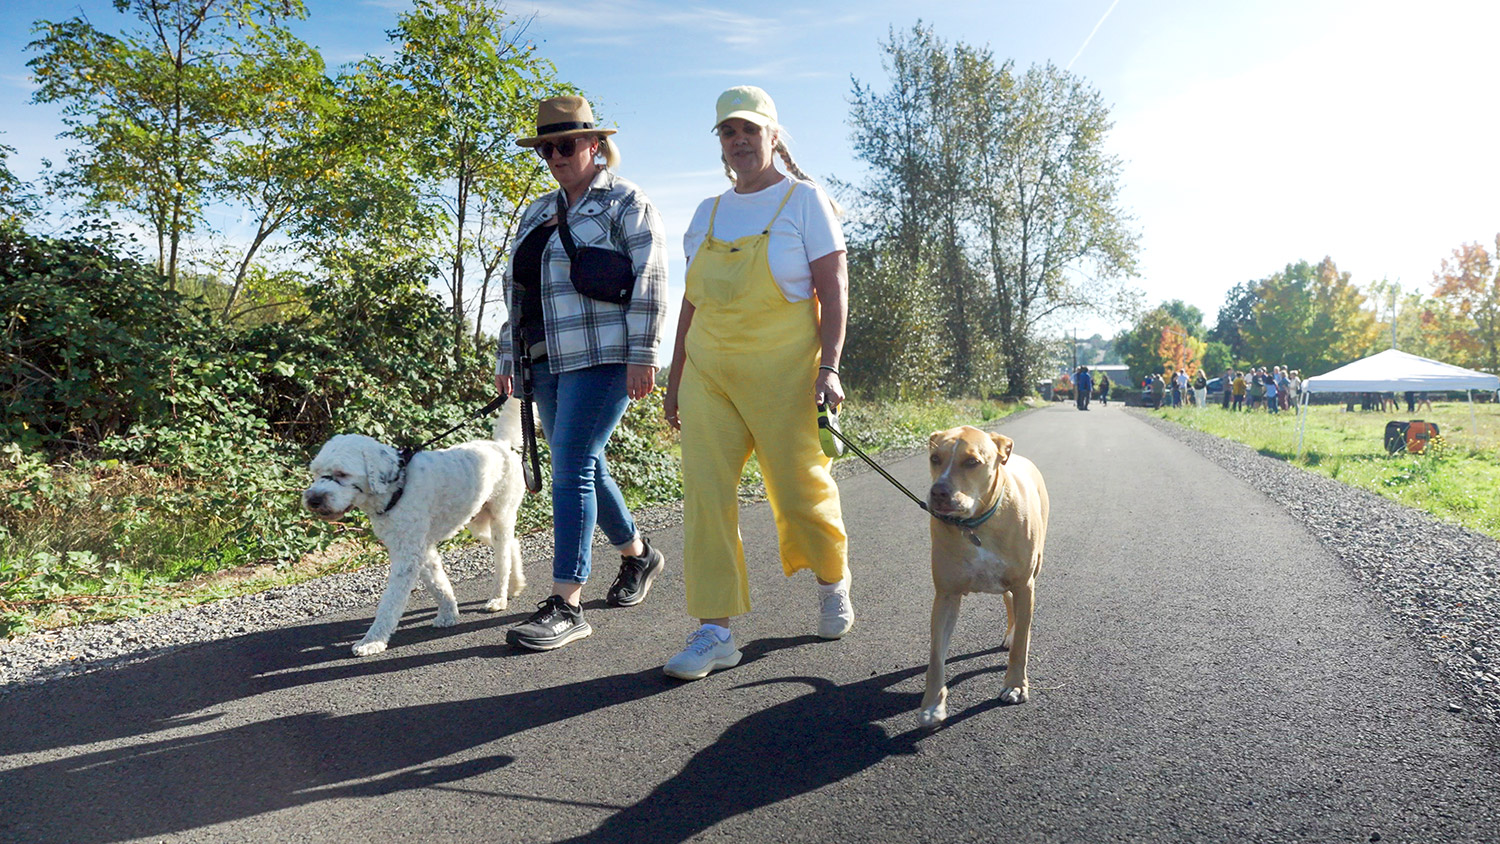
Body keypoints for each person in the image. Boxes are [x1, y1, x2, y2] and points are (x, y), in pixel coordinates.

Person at [661, 85, 852, 680]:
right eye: (727, 132)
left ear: (774, 136)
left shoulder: (804, 201)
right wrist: (676, 378)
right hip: (709, 374)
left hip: (787, 375)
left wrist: (831, 366)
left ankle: (833, 582)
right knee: (707, 497)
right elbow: (690, 303)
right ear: (721, 143)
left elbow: (834, 286)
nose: (738, 140)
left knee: (800, 490)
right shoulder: (706, 213)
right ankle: (714, 630)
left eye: (749, 130)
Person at [494, 95, 669, 651]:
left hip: (605, 355)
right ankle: (639, 555)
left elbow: (651, 280)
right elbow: (517, 292)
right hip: (546, 358)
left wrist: (645, 353)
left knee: (570, 464)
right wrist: (508, 357)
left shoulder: (626, 202)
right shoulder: (538, 210)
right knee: (584, 461)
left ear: (595, 144)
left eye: (566, 144)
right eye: (546, 147)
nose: (555, 155)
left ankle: (566, 603)